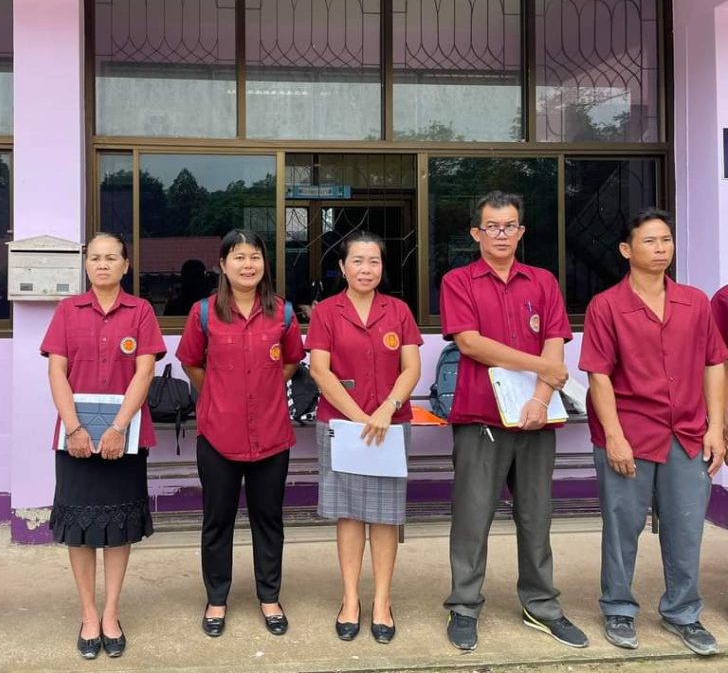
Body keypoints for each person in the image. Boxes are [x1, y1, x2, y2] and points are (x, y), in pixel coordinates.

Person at [439, 190, 587, 652]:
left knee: (536, 516)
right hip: (480, 417)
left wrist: (541, 399)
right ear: (476, 233)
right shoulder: (459, 281)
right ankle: (465, 606)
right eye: (492, 226)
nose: (500, 234)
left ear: (521, 231)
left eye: (509, 226)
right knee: (472, 517)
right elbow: (470, 343)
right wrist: (542, 367)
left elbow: (555, 341)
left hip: (537, 419)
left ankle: (541, 604)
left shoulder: (542, 281)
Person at [579, 208, 727, 656]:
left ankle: (683, 612)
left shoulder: (695, 303)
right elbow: (598, 376)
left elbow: (714, 363)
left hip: (687, 433)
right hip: (630, 433)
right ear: (626, 249)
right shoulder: (606, 306)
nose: (661, 249)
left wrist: (716, 427)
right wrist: (614, 435)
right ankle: (618, 609)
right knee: (621, 526)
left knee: (686, 527)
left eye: (666, 240)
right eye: (650, 241)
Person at [40, 232, 165, 660]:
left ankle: (111, 612)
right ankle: (88, 614)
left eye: (112, 257)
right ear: (86, 264)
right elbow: (57, 372)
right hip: (74, 439)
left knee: (117, 528)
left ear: (126, 265)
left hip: (124, 438)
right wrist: (74, 428)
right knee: (80, 530)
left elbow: (144, 372)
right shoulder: (67, 310)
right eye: (95, 258)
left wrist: (118, 427)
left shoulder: (141, 311)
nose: (103, 264)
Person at [176, 229, 304, 638]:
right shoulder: (203, 313)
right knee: (218, 521)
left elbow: (291, 362)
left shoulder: (282, 313)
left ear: (264, 263)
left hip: (271, 435)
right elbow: (192, 363)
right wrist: (220, 393)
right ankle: (217, 599)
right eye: (239, 257)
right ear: (223, 264)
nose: (248, 265)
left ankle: (270, 597)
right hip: (218, 435)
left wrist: (263, 389)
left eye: (255, 257)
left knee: (269, 520)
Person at [305, 231, 422, 644]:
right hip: (342, 428)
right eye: (357, 261)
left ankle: (382, 602)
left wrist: (387, 407)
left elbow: (411, 368)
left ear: (382, 267)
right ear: (342, 267)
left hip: (391, 425)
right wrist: (360, 418)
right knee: (350, 514)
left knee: (386, 517)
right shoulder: (326, 312)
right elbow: (320, 370)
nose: (366, 269)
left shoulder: (399, 310)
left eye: (374, 261)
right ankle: (351, 599)